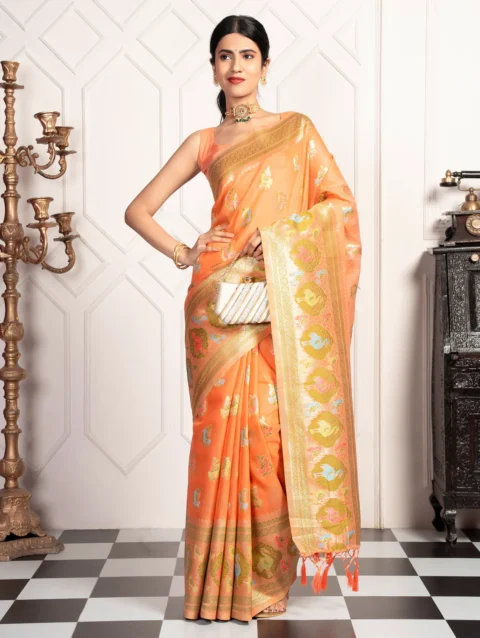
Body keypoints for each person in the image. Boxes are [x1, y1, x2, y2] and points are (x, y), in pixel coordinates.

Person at [125, 13, 362, 623]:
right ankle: (214, 587)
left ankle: (263, 580)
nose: (236, 66)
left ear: (265, 65)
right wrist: (185, 251)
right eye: (225, 55)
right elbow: (139, 209)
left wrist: (280, 235)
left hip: (276, 299)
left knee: (268, 433)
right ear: (213, 68)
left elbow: (338, 207)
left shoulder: (296, 130)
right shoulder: (204, 142)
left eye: (247, 55)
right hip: (217, 303)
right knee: (218, 440)